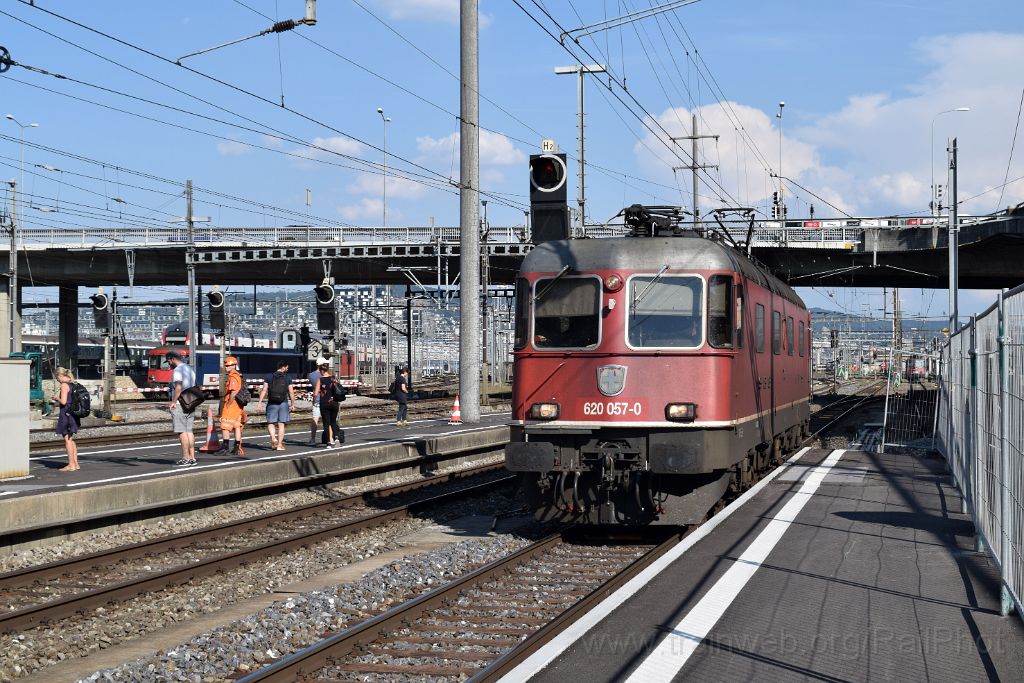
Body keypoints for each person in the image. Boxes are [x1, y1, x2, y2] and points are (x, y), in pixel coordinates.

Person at [167, 351, 198, 466]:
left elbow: (178, 387)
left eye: (169, 361)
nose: (169, 364)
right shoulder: (189, 369)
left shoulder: (178, 370)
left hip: (180, 404)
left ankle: (185, 457)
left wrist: (173, 402)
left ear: (172, 359)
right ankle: (192, 458)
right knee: (189, 430)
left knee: (182, 431)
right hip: (191, 402)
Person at [257, 359, 295, 451]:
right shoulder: (288, 378)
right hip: (283, 403)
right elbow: (291, 392)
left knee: (271, 422)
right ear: (283, 367)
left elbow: (264, 390)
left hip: (272, 402)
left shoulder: (269, 376)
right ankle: (279, 445)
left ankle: (273, 438)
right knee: (281, 424)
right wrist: (292, 404)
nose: (287, 369)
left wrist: (259, 402)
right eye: (287, 367)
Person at [218, 356, 247, 456]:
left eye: (229, 365)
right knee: (236, 426)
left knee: (225, 425)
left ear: (234, 365)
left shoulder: (233, 376)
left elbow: (234, 392)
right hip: (238, 406)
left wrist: (228, 404)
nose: (226, 367)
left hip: (232, 405)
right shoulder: (238, 375)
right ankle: (236, 447)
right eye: (226, 365)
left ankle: (225, 447)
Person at [53, 366, 81, 471]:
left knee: (67, 439)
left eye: (57, 378)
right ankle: (76, 463)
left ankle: (71, 465)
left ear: (60, 376)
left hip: (67, 414)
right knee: (71, 438)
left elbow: (64, 402)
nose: (57, 380)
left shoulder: (64, 385)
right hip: (74, 414)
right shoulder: (74, 383)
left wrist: (57, 398)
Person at [314, 363, 344, 446]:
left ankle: (328, 443)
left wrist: (314, 402)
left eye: (320, 371)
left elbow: (316, 393)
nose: (319, 372)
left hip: (324, 403)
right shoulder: (334, 378)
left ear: (322, 371)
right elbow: (339, 388)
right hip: (334, 403)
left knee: (326, 423)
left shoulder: (320, 379)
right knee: (333, 422)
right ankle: (337, 438)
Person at [306, 358, 325, 446]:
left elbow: (313, 387)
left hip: (316, 399)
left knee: (315, 419)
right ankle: (330, 439)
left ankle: (313, 439)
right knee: (327, 420)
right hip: (326, 399)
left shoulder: (311, 375)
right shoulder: (325, 375)